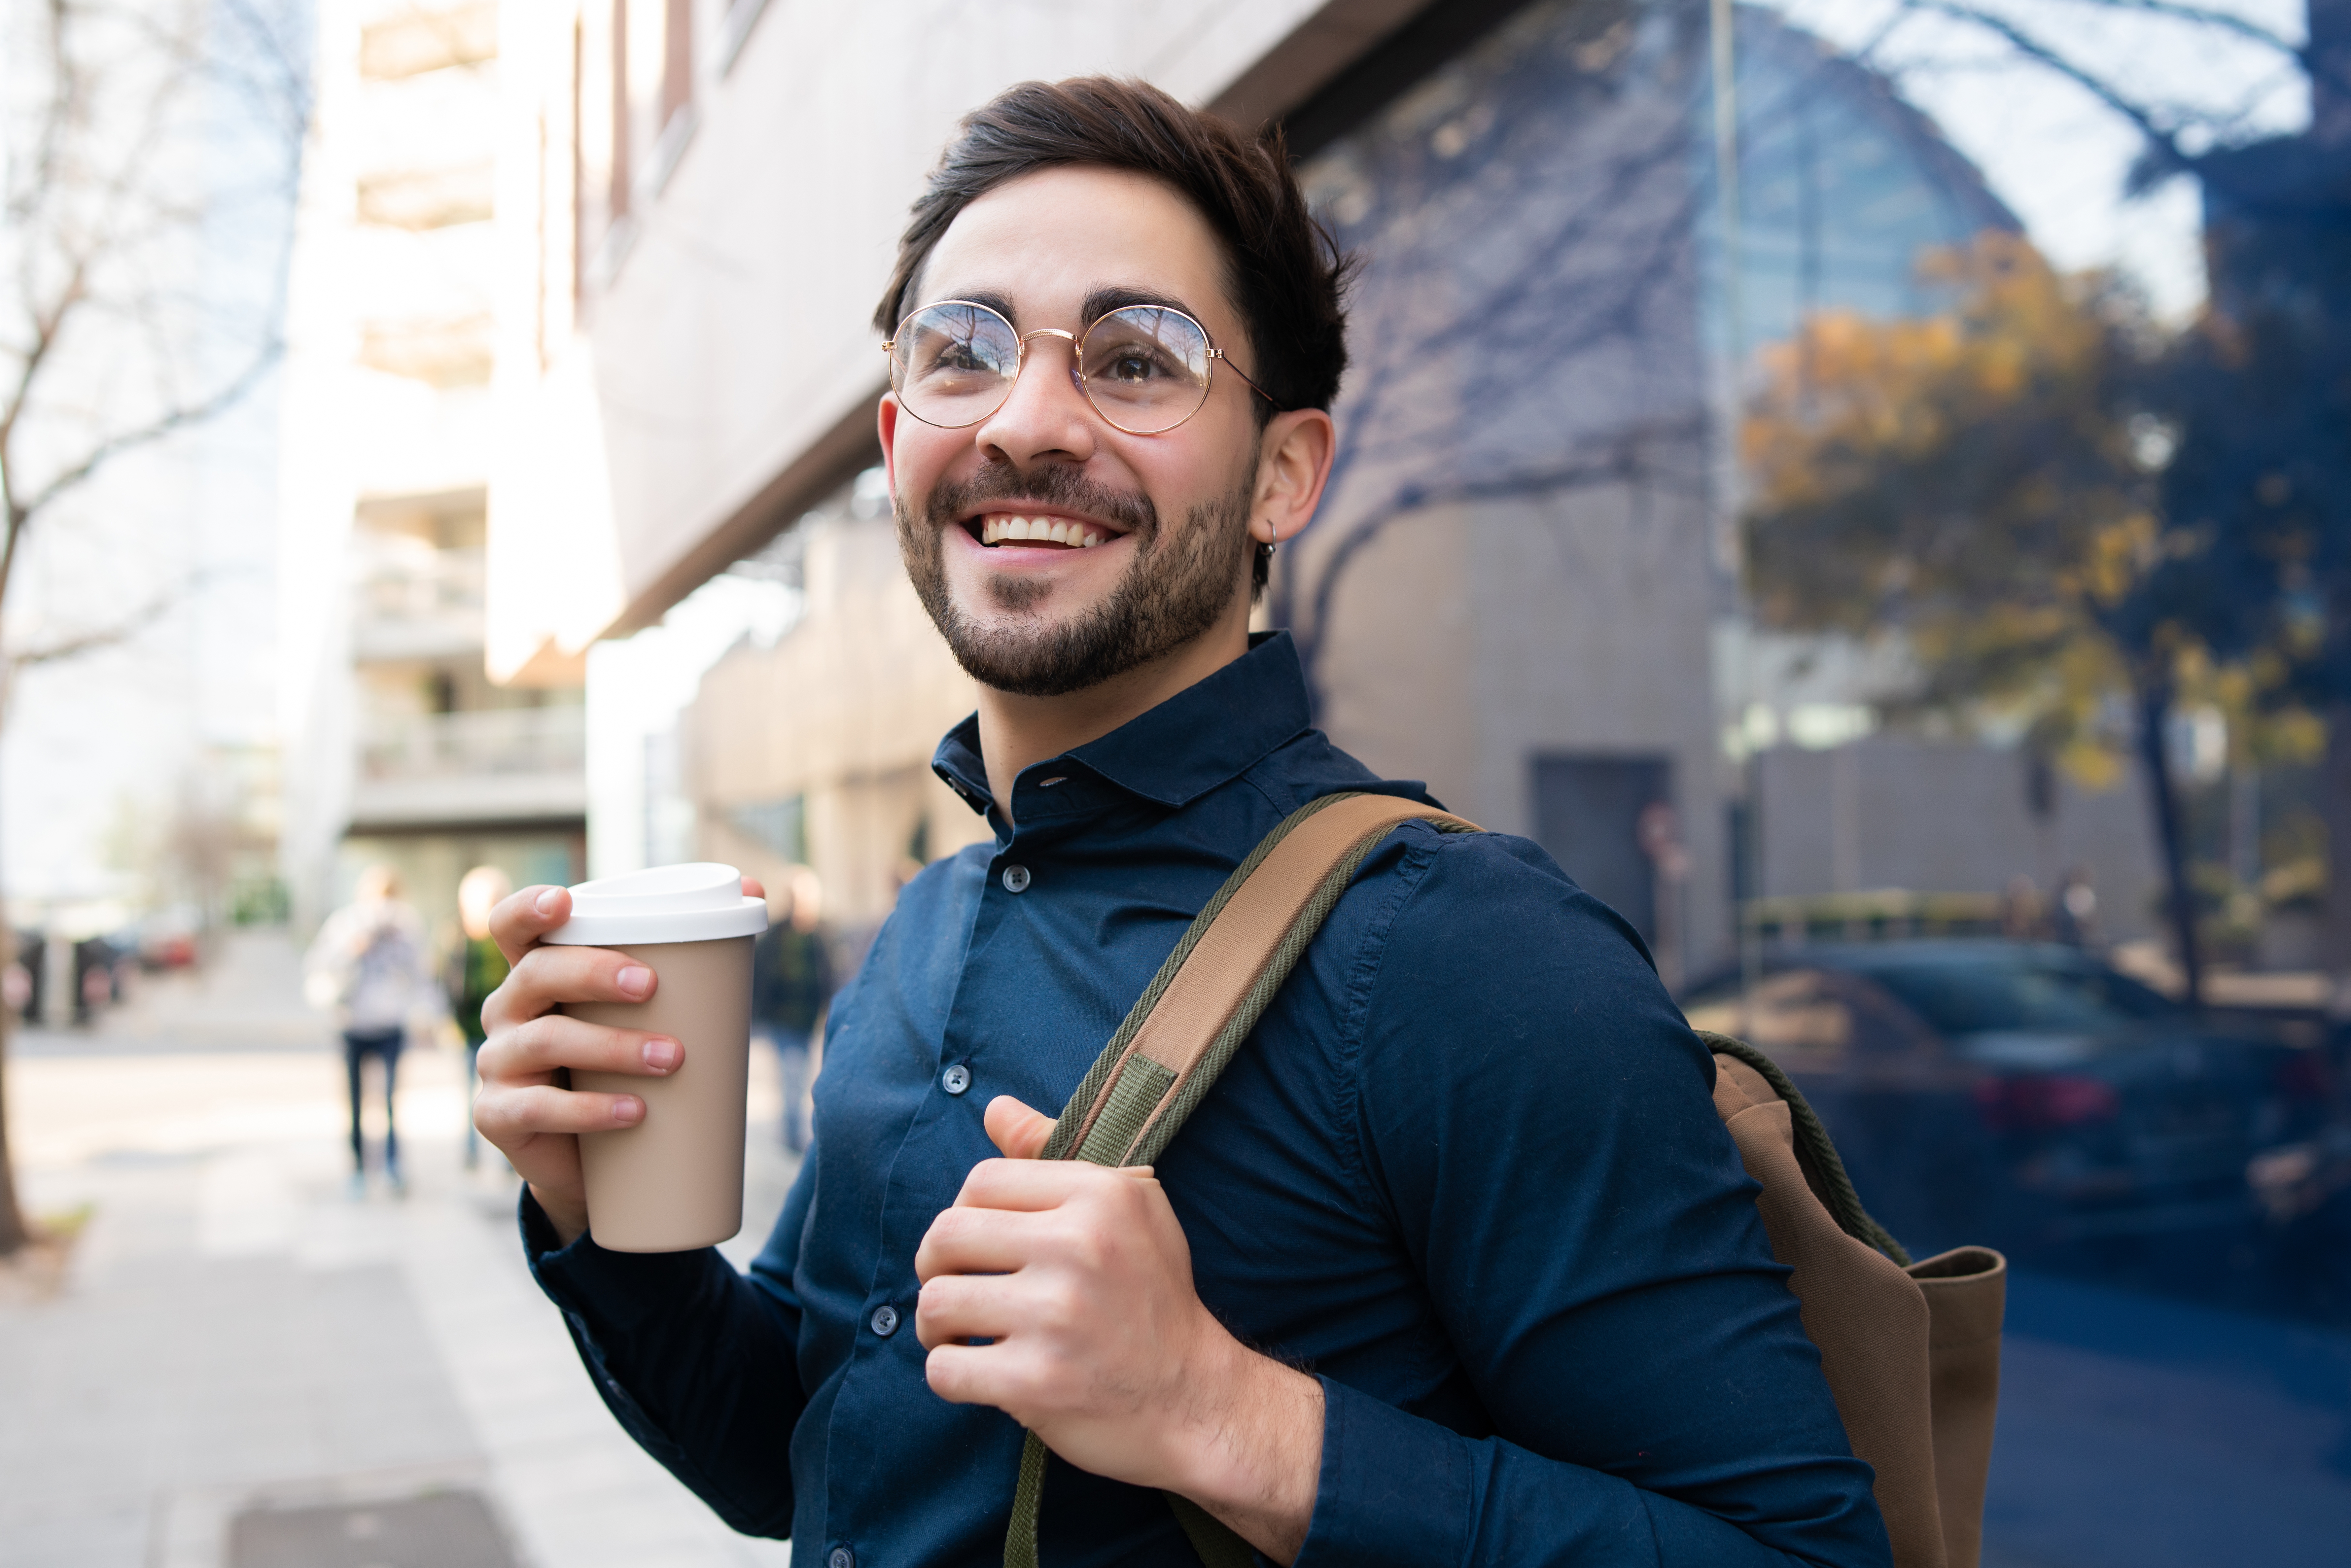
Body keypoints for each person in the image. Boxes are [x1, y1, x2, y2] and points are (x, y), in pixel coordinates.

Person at [474, 79, 1889, 1568]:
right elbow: (804, 1456)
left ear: (1283, 473)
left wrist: (1231, 1416)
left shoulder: (1465, 956)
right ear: (899, 438)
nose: (1025, 420)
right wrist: (604, 1227)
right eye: (963, 353)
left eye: (1135, 359)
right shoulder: (921, 937)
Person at [306, 864, 440, 1195]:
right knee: (355, 1102)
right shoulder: (346, 924)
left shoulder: (406, 928)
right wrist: (353, 949)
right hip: (353, 1024)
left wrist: (428, 1014)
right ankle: (358, 1170)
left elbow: (421, 975)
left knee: (392, 1101)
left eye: (389, 898)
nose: (383, 907)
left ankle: (393, 1166)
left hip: (391, 1024)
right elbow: (319, 965)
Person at [752, 865, 833, 1153]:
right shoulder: (777, 935)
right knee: (792, 1075)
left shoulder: (819, 935)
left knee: (801, 1075)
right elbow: (760, 971)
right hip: (781, 1019)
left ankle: (794, 1130)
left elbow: (829, 977)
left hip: (807, 1020)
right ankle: (791, 1133)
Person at [450, 865, 514, 1169]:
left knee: (508, 1093)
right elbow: (450, 985)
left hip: (503, 1031)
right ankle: (471, 1149)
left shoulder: (507, 942)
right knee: (470, 1096)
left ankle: (508, 1155)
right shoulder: (459, 941)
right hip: (472, 1030)